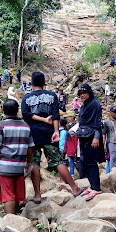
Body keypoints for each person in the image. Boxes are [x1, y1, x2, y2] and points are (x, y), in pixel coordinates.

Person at [21, 72, 83, 204]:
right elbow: (56, 115)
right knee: (58, 160)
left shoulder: (26, 98)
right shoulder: (52, 96)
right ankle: (75, 188)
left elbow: (26, 115)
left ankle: (37, 195)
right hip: (49, 133)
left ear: (31, 83)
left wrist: (41, 120)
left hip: (32, 135)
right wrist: (56, 131)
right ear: (44, 83)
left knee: (35, 163)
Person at [0, 99, 34, 214]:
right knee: (17, 194)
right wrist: (29, 161)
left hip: (5, 167)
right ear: (17, 110)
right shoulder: (26, 126)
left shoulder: (2, 126)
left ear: (4, 112)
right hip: (19, 166)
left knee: (8, 195)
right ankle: (16, 218)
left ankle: (10, 221)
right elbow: (30, 147)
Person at [77, 84, 105, 201]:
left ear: (89, 92)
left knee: (92, 162)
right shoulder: (85, 105)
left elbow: (98, 123)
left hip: (92, 137)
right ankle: (92, 185)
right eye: (80, 93)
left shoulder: (95, 104)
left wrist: (96, 138)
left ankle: (96, 188)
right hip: (84, 137)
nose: (82, 95)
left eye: (84, 92)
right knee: (86, 162)